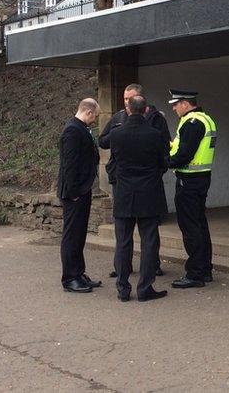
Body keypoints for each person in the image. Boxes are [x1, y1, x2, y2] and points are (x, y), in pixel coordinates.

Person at [99, 96, 168, 302]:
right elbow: (163, 162)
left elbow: (113, 159)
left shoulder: (116, 134)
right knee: (149, 241)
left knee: (123, 241)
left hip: (124, 192)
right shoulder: (154, 135)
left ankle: (122, 288)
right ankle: (145, 288)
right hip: (149, 193)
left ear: (128, 109)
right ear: (145, 109)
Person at [166, 89, 217, 289]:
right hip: (201, 178)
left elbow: (185, 154)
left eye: (176, 104)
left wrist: (165, 162)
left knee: (190, 227)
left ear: (185, 104)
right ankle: (204, 270)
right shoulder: (206, 119)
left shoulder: (192, 122)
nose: (173, 107)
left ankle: (194, 273)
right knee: (200, 225)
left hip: (189, 180)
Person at [57, 98, 101, 293]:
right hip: (74, 192)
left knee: (79, 234)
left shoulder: (80, 128)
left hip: (82, 189)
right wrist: (74, 192)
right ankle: (70, 277)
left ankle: (79, 272)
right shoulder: (73, 130)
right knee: (72, 235)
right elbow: (70, 165)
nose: (95, 121)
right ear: (89, 112)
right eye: (95, 117)